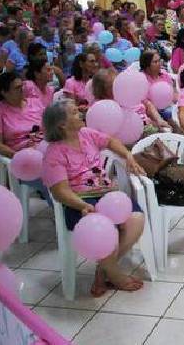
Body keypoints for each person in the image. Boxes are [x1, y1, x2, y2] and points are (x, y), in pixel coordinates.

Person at [41, 99, 145, 296]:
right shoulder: (54, 153)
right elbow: (59, 191)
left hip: (106, 194)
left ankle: (103, 270)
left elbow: (111, 141)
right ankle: (115, 275)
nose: (80, 113)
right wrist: (82, 205)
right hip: (78, 201)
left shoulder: (86, 134)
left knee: (136, 219)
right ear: (62, 124)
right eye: (73, 112)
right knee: (104, 230)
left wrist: (128, 155)